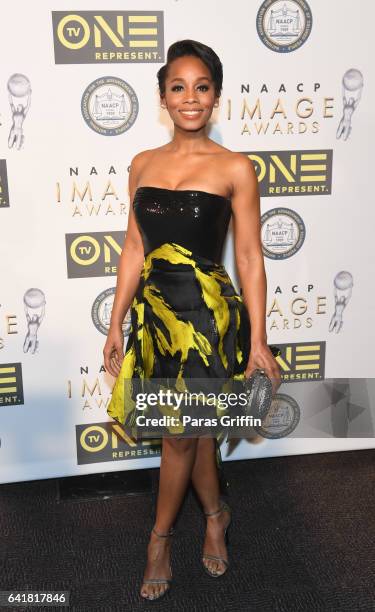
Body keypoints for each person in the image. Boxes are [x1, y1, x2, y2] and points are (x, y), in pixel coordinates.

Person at [103, 39, 281, 601]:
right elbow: (134, 248)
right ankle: (215, 516)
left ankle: (158, 540)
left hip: (208, 320)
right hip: (155, 319)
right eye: (178, 87)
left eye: (201, 86)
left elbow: (250, 258)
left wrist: (260, 339)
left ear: (216, 96)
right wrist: (115, 322)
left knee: (179, 437)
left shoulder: (235, 168)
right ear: (162, 97)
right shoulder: (142, 164)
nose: (190, 97)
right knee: (197, 436)